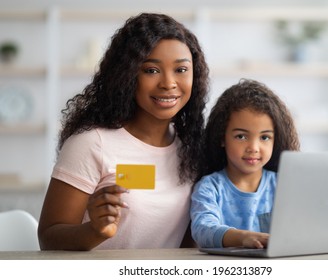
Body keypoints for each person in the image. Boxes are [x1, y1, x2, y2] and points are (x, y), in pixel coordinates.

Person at [38, 13, 210, 250]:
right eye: (151, 70)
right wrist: (94, 231)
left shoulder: (191, 150)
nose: (168, 83)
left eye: (181, 69)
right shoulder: (92, 143)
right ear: (128, 75)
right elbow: (49, 237)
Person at [190, 79, 300, 249]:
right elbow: (203, 230)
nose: (254, 148)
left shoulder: (284, 185)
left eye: (264, 137)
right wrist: (242, 238)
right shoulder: (210, 188)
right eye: (241, 136)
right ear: (222, 137)